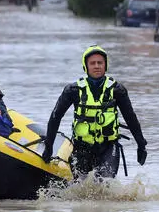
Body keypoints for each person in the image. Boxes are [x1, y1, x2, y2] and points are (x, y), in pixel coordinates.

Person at [41, 45, 148, 179]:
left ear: (105, 65)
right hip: (82, 148)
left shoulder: (117, 90)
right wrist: (48, 146)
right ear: (86, 66)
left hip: (108, 147)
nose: (97, 66)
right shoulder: (72, 90)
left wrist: (141, 144)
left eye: (100, 63)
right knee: (80, 186)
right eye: (92, 63)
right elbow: (56, 117)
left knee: (104, 183)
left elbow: (130, 118)